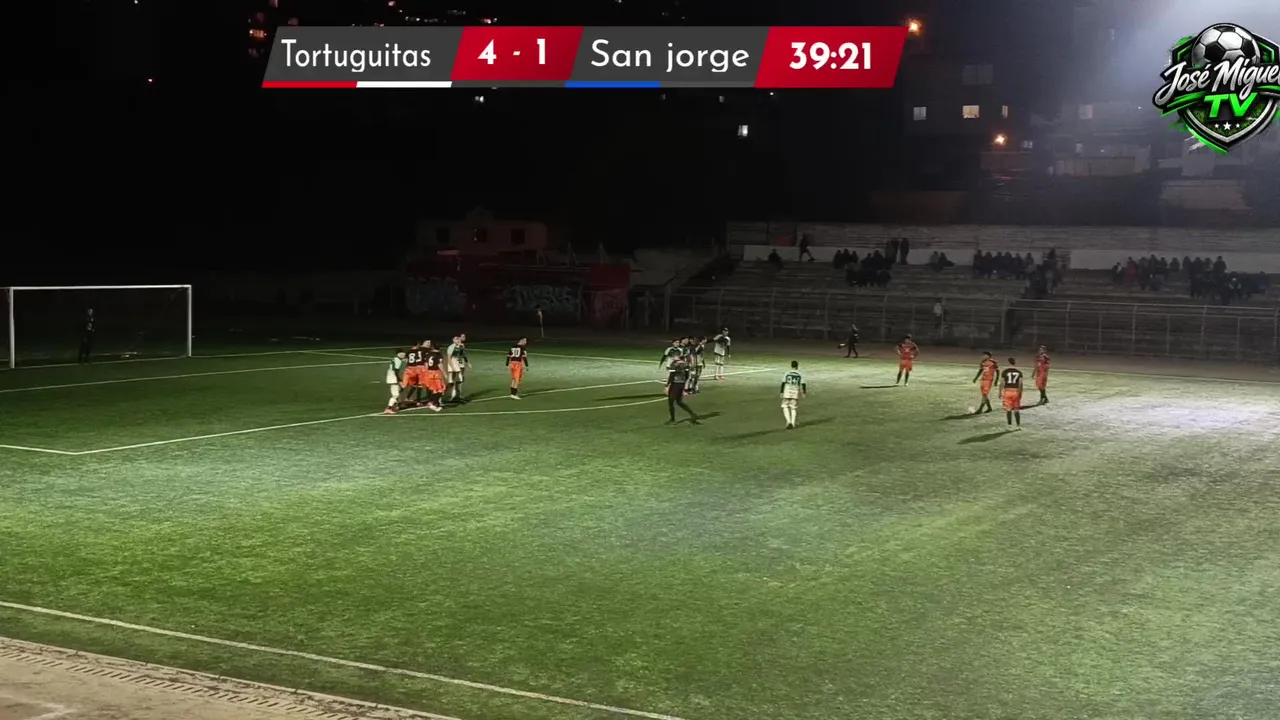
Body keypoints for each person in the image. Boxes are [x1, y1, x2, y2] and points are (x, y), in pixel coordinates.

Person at [664, 357, 699, 425]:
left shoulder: (675, 364)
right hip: (681, 384)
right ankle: (692, 414)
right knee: (679, 402)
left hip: (675, 385)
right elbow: (687, 375)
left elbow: (672, 375)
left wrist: (667, 385)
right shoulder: (685, 365)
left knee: (671, 402)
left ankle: (672, 419)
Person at [779, 360, 806, 429]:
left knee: (785, 406)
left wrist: (781, 392)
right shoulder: (800, 374)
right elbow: (803, 384)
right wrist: (804, 393)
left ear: (791, 366)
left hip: (787, 391)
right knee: (793, 408)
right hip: (795, 392)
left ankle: (788, 421)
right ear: (797, 366)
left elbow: (783, 383)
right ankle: (793, 423)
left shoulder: (787, 373)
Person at [400, 343, 427, 408]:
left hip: (409, 369)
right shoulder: (420, 351)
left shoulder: (409, 351)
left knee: (413, 385)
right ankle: (418, 401)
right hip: (417, 369)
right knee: (419, 385)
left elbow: (405, 360)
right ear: (417, 345)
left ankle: (405, 398)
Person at [422, 342, 446, 411]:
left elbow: (426, 364)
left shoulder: (428, 354)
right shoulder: (438, 354)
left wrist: (426, 373)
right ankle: (433, 403)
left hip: (429, 373)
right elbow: (439, 364)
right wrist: (444, 373)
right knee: (441, 389)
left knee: (434, 389)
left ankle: (434, 403)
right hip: (436, 373)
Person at [445, 334, 470, 403]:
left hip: (459, 364)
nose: (458, 340)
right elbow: (449, 358)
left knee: (460, 379)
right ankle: (447, 395)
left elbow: (462, 355)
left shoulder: (461, 346)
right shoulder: (451, 347)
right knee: (451, 381)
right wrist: (452, 367)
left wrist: (467, 362)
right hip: (454, 365)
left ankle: (458, 395)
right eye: (456, 339)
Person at [1001, 358, 1024, 428]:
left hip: (1007, 391)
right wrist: (1020, 392)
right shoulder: (1019, 372)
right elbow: (1020, 383)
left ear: (1008, 363)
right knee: (1016, 409)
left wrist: (1000, 392)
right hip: (1016, 391)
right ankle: (1018, 425)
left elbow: (1002, 383)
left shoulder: (1005, 372)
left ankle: (1009, 425)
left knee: (1008, 409)